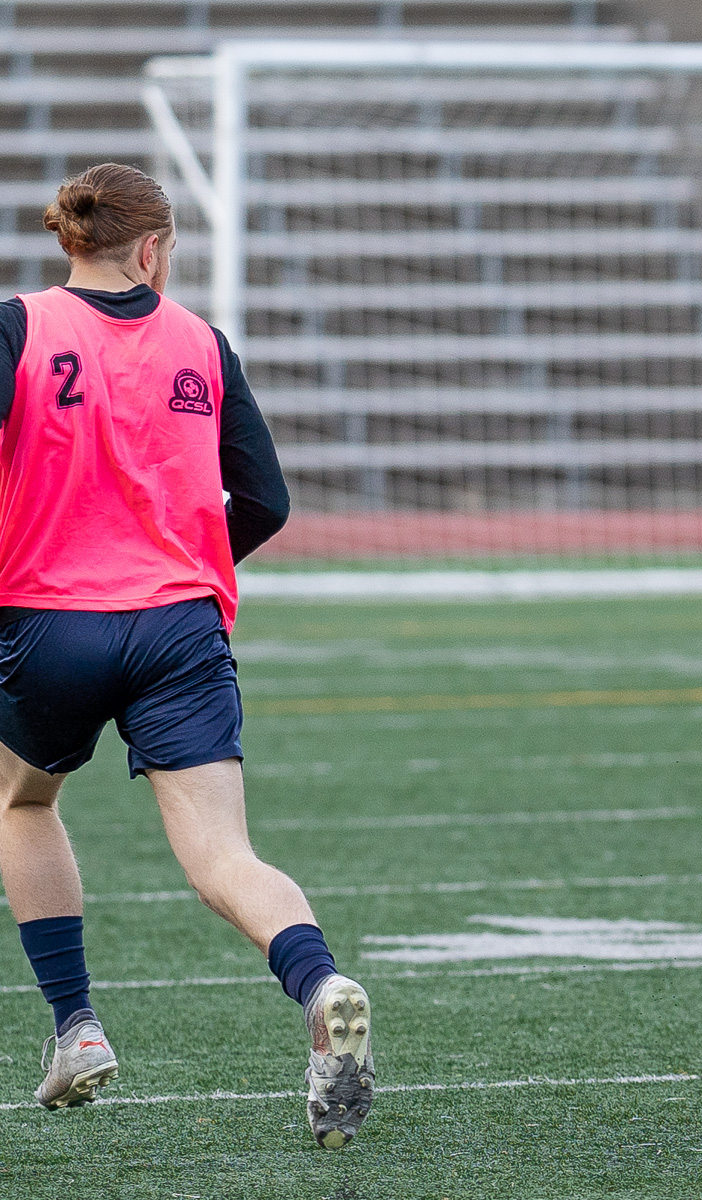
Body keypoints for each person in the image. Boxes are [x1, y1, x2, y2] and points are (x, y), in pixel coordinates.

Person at [0, 164, 373, 1147]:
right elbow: (268, 503)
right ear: (154, 249)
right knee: (222, 856)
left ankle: (77, 1026)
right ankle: (322, 981)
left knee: (23, 800)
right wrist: (192, 564)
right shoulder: (200, 342)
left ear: (67, 240)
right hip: (179, 627)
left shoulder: (20, 328)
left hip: (48, 622)